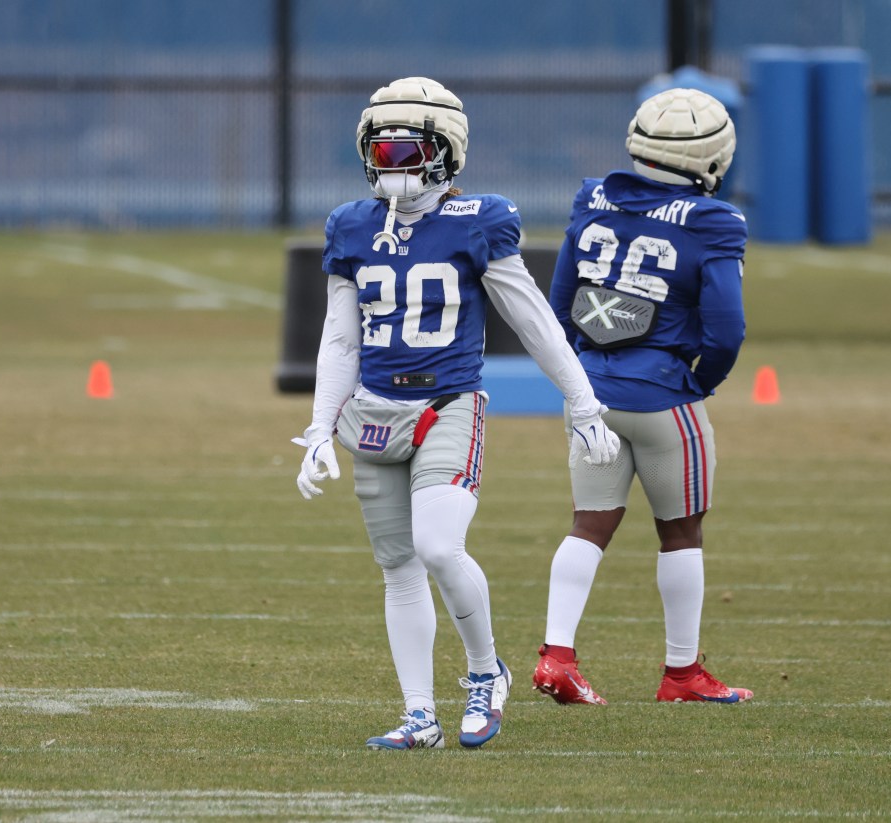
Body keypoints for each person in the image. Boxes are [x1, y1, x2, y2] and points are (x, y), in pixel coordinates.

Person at [293, 76, 620, 750]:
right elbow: (340, 338)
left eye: (406, 151)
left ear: (445, 152)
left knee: (439, 546)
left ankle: (485, 672)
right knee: (398, 567)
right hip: (373, 412)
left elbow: (532, 319)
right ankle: (420, 715)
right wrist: (320, 425)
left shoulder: (479, 219)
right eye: (380, 152)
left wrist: (583, 399)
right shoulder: (350, 225)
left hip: (448, 403)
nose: (391, 165)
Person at [532, 88, 753, 705]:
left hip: (592, 394)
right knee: (681, 532)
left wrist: (582, 377)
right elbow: (727, 330)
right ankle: (682, 675)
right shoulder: (714, 220)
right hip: (663, 397)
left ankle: (556, 657)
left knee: (588, 525)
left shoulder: (592, 196)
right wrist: (699, 383)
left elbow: (558, 305)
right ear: (713, 155)